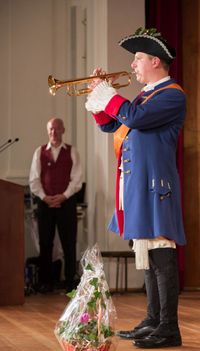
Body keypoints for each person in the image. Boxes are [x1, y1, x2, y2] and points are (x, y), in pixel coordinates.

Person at [85, 27, 186, 349]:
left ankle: (169, 327)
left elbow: (136, 118)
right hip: (137, 184)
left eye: (138, 58)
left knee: (161, 254)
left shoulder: (171, 94)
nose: (133, 65)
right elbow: (113, 124)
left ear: (155, 61)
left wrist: (109, 95)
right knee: (146, 253)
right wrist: (100, 98)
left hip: (156, 186)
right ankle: (153, 319)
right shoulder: (145, 95)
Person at [29, 117, 82, 293]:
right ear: (48, 131)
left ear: (63, 130)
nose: (54, 132)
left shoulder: (72, 151)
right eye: (51, 129)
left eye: (57, 129)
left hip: (66, 203)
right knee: (45, 243)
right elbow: (34, 179)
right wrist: (45, 197)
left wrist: (63, 196)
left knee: (69, 243)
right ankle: (46, 282)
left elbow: (77, 179)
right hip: (45, 203)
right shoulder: (40, 152)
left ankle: (69, 281)